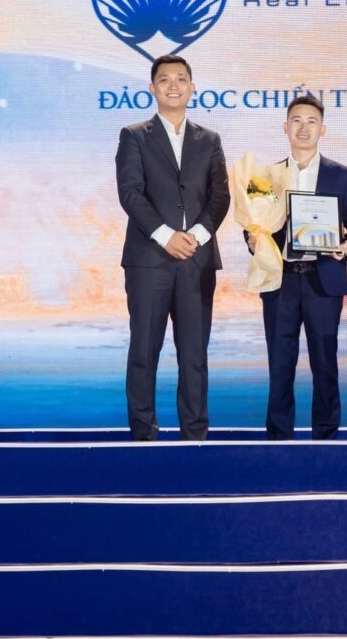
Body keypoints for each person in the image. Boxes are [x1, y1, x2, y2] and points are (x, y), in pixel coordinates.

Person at [115, 54, 230, 442]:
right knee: (143, 351)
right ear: (152, 88)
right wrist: (166, 235)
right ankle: (143, 436)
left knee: (194, 355)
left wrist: (196, 235)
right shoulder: (134, 136)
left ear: (192, 88)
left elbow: (220, 195)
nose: (173, 85)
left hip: (197, 259)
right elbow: (130, 193)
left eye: (181, 79)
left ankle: (194, 436)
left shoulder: (209, 140)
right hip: (149, 260)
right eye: (165, 79)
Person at [250, 95, 347, 440]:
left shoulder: (342, 175)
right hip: (280, 281)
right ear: (285, 127)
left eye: (311, 121)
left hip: (323, 281)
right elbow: (252, 224)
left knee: (325, 361)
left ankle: (326, 435)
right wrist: (252, 240)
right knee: (279, 362)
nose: (304, 128)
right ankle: (278, 436)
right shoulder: (264, 176)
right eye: (297, 121)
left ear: (322, 129)